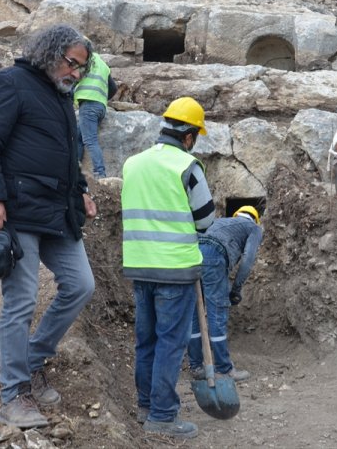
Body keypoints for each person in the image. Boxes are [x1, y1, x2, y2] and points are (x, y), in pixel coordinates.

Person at [0, 24, 97, 428]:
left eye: (81, 69)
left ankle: (34, 358)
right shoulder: (11, 83)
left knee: (81, 286)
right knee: (20, 302)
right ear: (49, 52)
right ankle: (13, 396)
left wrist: (83, 191)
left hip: (58, 213)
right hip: (19, 212)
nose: (75, 73)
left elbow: (67, 157)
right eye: (71, 63)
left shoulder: (61, 98)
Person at [121, 96, 215, 439]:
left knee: (145, 341)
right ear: (189, 136)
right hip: (175, 270)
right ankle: (162, 415)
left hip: (138, 265)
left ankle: (146, 405)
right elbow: (205, 221)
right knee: (170, 343)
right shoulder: (187, 166)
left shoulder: (133, 163)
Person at [187, 206, 263, 382]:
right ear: (255, 219)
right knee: (217, 312)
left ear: (237, 215)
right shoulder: (254, 228)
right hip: (215, 255)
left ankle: (197, 366)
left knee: (194, 313)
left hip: (193, 253)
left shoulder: (220, 222)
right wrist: (236, 289)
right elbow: (247, 260)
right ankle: (224, 368)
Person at [74, 47, 118, 178]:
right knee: (78, 135)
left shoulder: (84, 60)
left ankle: (100, 173)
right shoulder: (103, 64)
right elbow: (113, 88)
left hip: (88, 104)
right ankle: (75, 168)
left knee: (90, 140)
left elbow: (73, 79)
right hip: (100, 106)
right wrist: (102, 98)